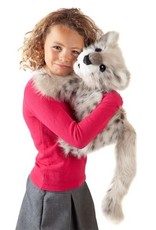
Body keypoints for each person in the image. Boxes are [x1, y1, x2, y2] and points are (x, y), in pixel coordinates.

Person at [15, 8, 123, 230]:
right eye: (57, 47)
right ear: (40, 47)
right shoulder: (38, 91)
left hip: (78, 187)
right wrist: (112, 100)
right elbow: (78, 137)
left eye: (75, 51)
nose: (65, 57)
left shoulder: (73, 84)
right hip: (50, 194)